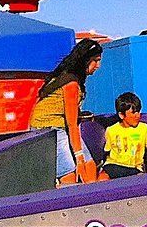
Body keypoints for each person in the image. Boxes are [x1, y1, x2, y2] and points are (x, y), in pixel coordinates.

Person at [29, 38, 103, 185]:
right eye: (95, 60)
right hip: (48, 130)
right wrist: (79, 157)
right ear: (85, 60)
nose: (98, 66)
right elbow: (72, 124)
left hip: (60, 127)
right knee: (71, 175)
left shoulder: (69, 78)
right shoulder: (71, 83)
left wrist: (82, 158)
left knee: (90, 167)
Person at [100, 92, 147, 179]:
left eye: (138, 112)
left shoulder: (144, 128)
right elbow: (107, 151)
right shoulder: (111, 130)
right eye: (133, 113)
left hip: (134, 168)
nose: (137, 116)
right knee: (102, 178)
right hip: (113, 165)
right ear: (121, 115)